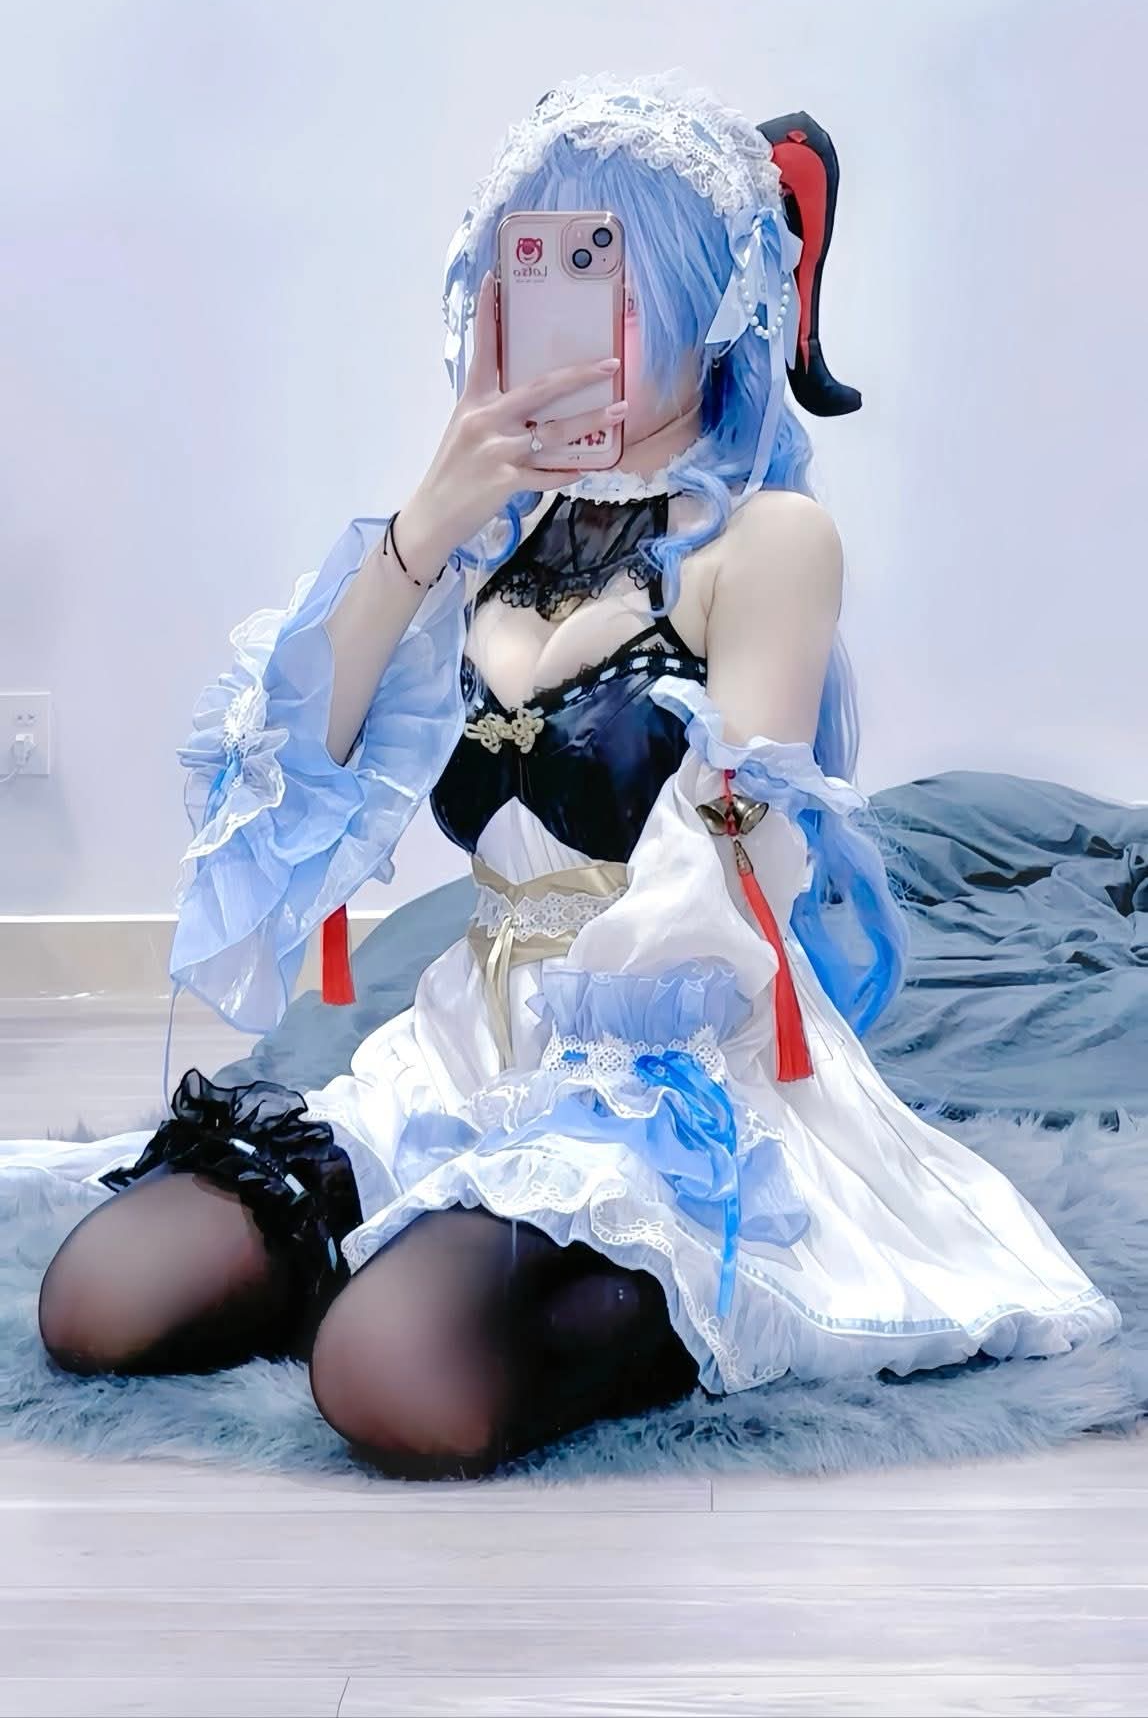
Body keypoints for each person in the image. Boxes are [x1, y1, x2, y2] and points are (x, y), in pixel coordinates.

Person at [13, 73, 1121, 1482]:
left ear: (700, 303)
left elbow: (739, 858)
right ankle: (411, 1245)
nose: (564, 324)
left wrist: (596, 1094)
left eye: (607, 279)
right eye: (530, 275)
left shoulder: (767, 542)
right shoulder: (484, 535)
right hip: (462, 1045)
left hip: (667, 1072)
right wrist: (428, 519)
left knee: (391, 1372)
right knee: (100, 1297)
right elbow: (295, 762)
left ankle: (651, 1289)